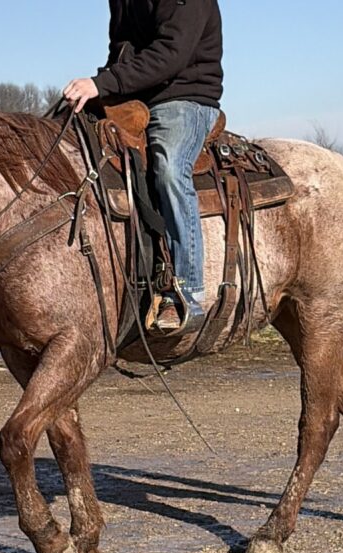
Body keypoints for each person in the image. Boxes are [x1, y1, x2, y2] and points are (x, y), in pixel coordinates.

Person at [63, 0, 223, 333]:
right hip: (137, 97)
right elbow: (122, 52)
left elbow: (172, 53)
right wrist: (99, 88)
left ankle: (186, 291)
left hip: (184, 97)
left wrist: (103, 84)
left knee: (168, 169)